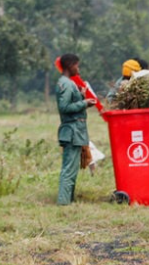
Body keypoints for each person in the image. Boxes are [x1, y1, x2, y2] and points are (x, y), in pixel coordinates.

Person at [55, 54, 96, 206]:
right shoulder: (66, 84)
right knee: (68, 170)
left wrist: (81, 96)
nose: (78, 69)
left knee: (72, 170)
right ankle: (63, 203)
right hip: (71, 132)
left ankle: (68, 201)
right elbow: (64, 107)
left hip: (75, 132)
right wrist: (84, 103)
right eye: (77, 66)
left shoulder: (68, 83)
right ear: (70, 65)